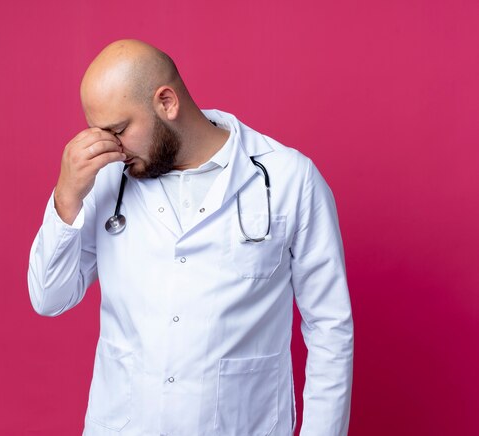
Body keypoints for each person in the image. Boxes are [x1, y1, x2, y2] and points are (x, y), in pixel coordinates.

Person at [28, 39, 353, 436]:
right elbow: (49, 297)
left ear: (166, 102)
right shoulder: (105, 179)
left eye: (119, 129)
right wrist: (66, 196)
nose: (109, 146)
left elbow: (330, 329)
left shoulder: (289, 179)